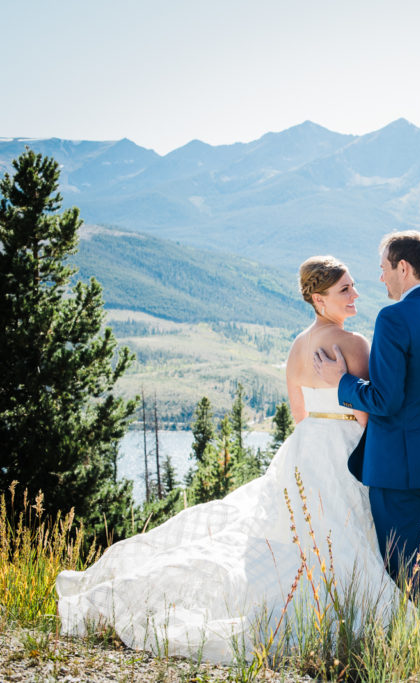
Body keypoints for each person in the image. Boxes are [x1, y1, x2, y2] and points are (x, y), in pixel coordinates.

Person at [56, 256, 400, 665]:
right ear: (318, 297)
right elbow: (365, 414)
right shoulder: (354, 343)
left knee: (300, 539)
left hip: (305, 452)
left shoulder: (296, 347)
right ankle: (347, 620)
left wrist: (313, 447)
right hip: (345, 449)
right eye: (345, 289)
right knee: (342, 536)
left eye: (353, 285)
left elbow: (299, 415)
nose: (355, 294)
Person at [314, 230, 420, 604]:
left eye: (384, 268)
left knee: (406, 566)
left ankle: (416, 651)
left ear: (403, 267)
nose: (381, 277)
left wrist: (344, 381)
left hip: (397, 470)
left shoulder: (393, 318)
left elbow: (384, 399)